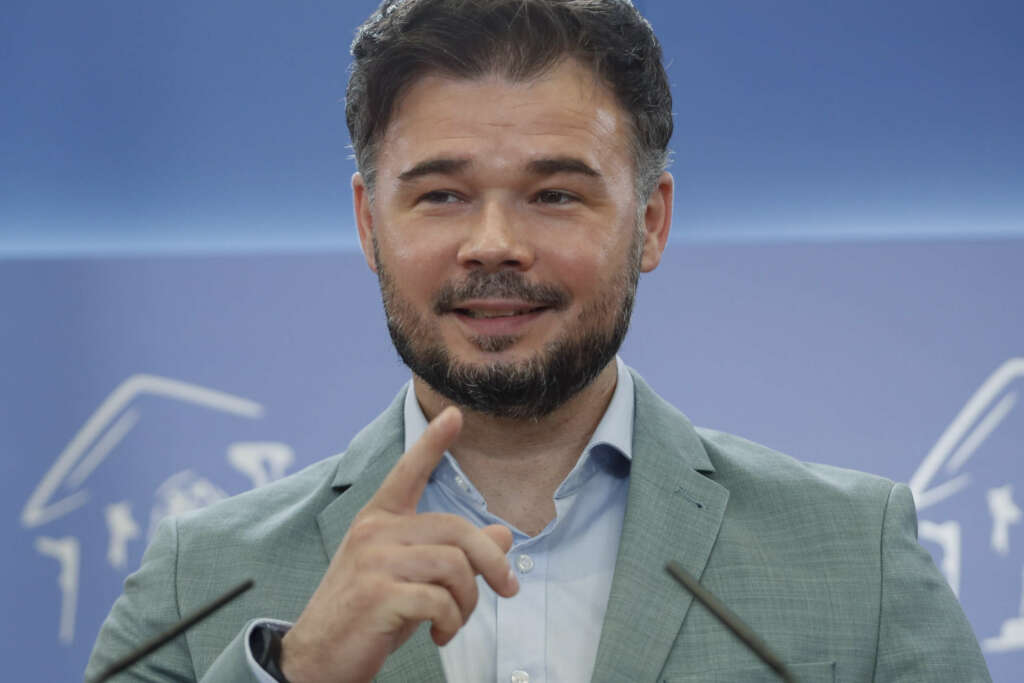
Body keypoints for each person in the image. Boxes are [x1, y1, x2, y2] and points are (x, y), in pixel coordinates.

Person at [87, 1, 991, 681]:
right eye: (440, 194)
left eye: (555, 193)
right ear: (368, 225)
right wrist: (296, 672)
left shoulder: (855, 557)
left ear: (651, 221)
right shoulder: (199, 581)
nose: (493, 243)